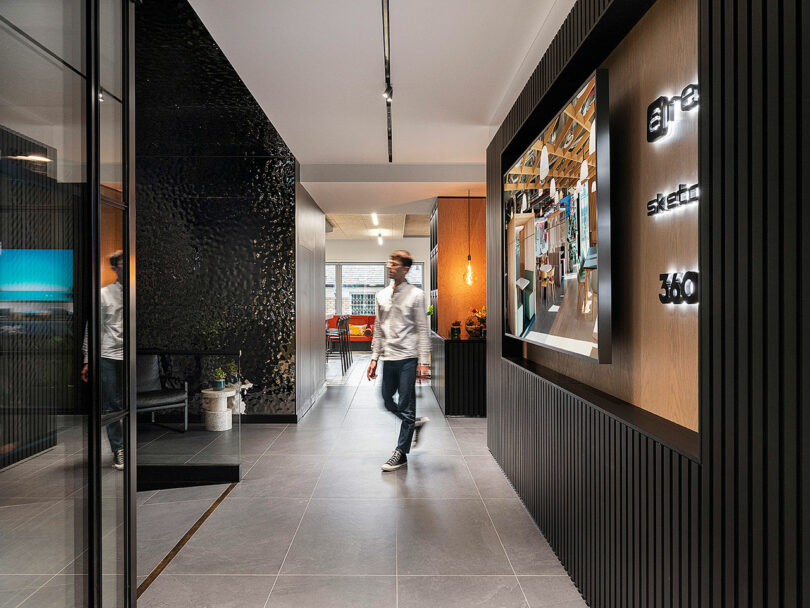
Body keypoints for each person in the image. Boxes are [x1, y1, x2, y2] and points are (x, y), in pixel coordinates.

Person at [367, 250, 430, 471]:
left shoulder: (416, 295)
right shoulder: (381, 295)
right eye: (389, 263)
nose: (389, 266)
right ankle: (413, 423)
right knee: (386, 400)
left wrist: (423, 361)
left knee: (405, 404)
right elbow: (378, 328)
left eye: (394, 264)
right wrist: (374, 358)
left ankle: (401, 453)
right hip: (388, 357)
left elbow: (423, 329)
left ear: (405, 269)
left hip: (408, 358)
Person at [82, 250, 125, 470]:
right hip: (108, 355)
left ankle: (132, 446)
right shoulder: (104, 294)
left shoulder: (138, 294)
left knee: (129, 403)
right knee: (111, 405)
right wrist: (88, 358)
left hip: (130, 357)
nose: (125, 266)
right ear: (114, 267)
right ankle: (119, 449)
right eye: (120, 263)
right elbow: (93, 328)